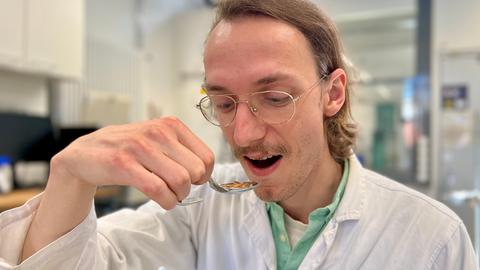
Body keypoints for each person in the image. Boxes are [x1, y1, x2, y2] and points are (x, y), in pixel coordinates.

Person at [0, 0, 478, 269]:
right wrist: (68, 176)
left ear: (332, 94)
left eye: (275, 97)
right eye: (225, 103)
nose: (243, 133)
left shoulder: (430, 239)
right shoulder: (200, 208)